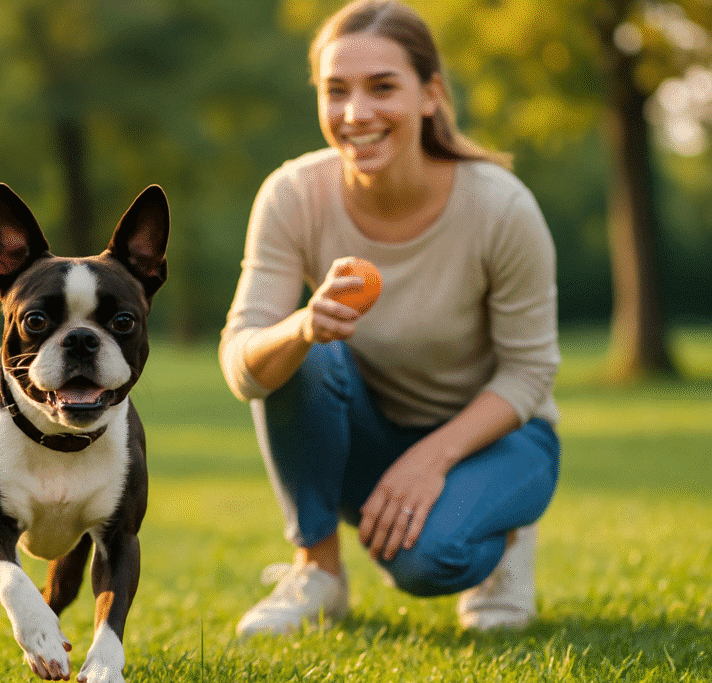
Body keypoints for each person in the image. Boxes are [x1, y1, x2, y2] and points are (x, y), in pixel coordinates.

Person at [219, 0, 560, 637]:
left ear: (431, 94)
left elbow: (530, 371)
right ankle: (317, 573)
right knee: (305, 351)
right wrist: (301, 328)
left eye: (383, 88)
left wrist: (431, 460)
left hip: (498, 438)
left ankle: (504, 543)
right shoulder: (293, 196)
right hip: (367, 438)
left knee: (426, 562)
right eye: (336, 91)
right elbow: (243, 366)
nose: (356, 115)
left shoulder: (500, 208)